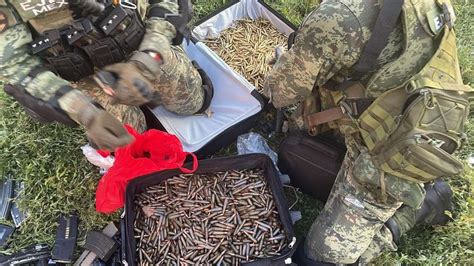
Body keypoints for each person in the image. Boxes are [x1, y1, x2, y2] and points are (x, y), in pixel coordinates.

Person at [264, 0, 472, 264]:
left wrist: (280, 67)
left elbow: (281, 93)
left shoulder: (335, 17)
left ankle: (415, 209)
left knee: (319, 258)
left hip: (393, 154)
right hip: (421, 106)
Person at [0, 0, 213, 151]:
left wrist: (147, 59)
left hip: (140, 42)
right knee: (129, 139)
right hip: (83, 74)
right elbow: (15, 65)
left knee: (192, 104)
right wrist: (83, 111)